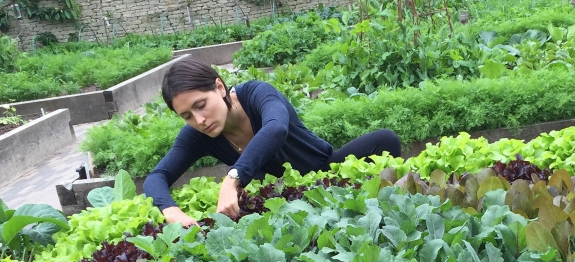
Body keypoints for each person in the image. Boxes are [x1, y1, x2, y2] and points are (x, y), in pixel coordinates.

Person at [143, 58, 402, 226]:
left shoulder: (256, 93)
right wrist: (171, 210)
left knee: (384, 139)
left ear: (219, 88)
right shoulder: (198, 135)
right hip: (280, 204)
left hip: (324, 173)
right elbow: (157, 177)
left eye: (201, 105)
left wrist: (232, 178)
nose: (199, 120)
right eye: (187, 116)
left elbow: (276, 128)